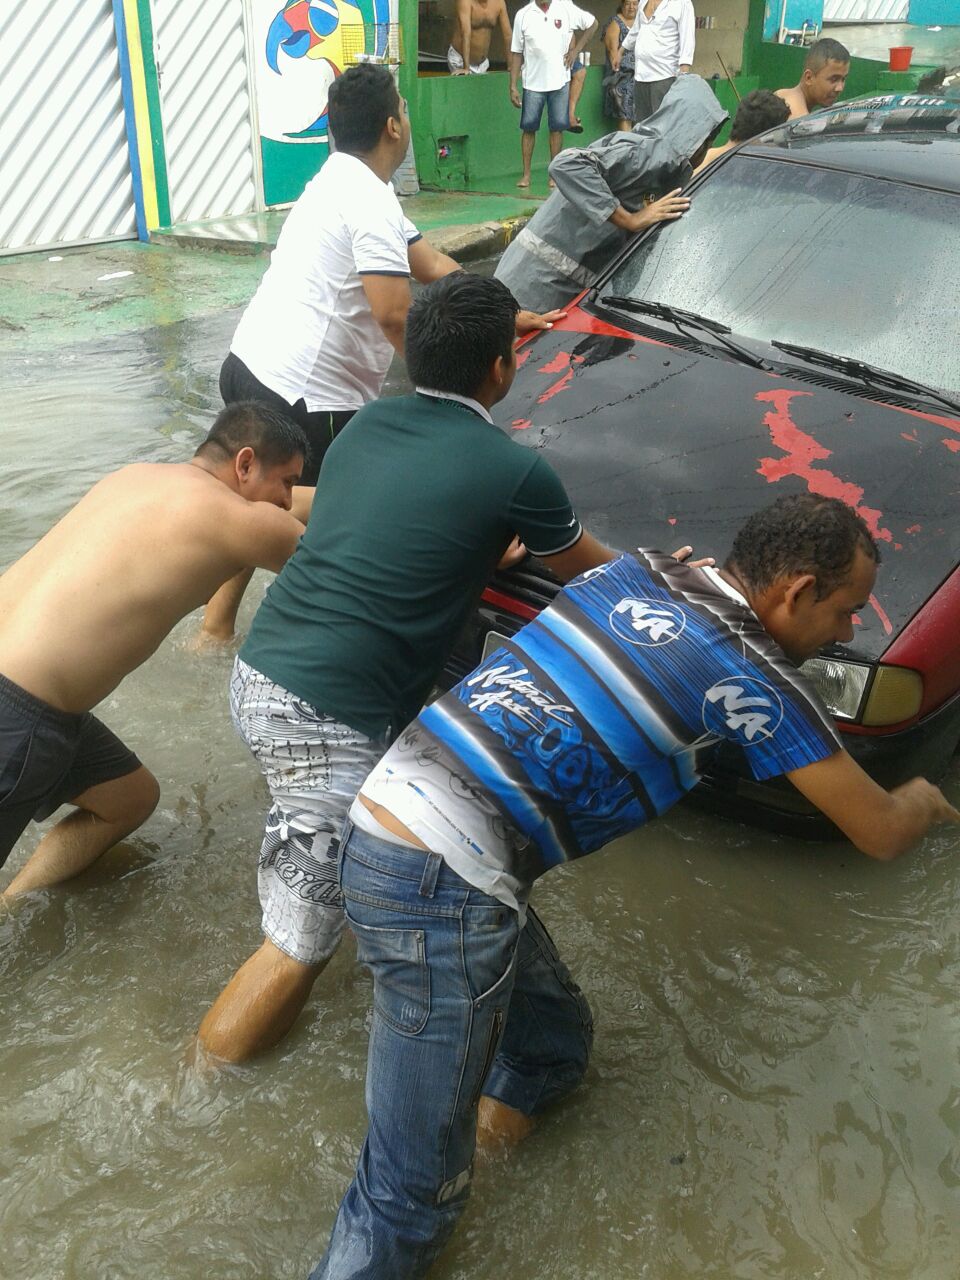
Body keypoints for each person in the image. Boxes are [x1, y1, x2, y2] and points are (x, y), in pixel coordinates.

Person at [310, 494, 959, 1279]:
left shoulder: (644, 570)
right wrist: (924, 800)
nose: (850, 632)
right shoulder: (757, 679)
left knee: (552, 1048)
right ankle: (431, 1172)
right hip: (444, 885)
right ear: (794, 591)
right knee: (410, 1202)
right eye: (847, 610)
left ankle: (479, 1129)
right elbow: (880, 830)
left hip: (389, 819)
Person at [195, 273, 639, 1066]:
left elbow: (370, 528)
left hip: (265, 673)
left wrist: (471, 540)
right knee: (303, 935)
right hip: (326, 712)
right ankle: (199, 1093)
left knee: (321, 866)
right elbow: (593, 573)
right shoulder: (515, 470)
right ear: (503, 369)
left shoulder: (365, 427)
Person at [203, 63, 558, 645]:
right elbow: (394, 314)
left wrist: (500, 309)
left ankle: (215, 630)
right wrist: (444, 404)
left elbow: (428, 263)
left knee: (260, 500)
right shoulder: (367, 199)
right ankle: (313, 638)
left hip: (251, 365)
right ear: (393, 125)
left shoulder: (346, 181)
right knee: (334, 517)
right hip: (304, 395)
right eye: (406, 109)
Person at [0, 404, 310, 899]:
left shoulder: (137, 476)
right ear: (245, 464)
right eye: (286, 482)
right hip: (22, 717)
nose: (286, 499)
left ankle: (13, 904)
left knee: (129, 797)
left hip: (32, 694)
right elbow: (344, 565)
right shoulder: (239, 519)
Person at [496, 73, 726, 312]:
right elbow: (566, 164)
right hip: (533, 282)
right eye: (707, 140)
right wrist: (630, 220)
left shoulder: (668, 170)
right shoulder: (648, 153)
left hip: (563, 289)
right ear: (692, 132)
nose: (706, 149)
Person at [510, 0, 598, 189]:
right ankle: (526, 175)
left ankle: (553, 174)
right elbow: (516, 52)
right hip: (532, 83)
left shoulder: (565, 7)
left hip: (559, 81)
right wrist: (513, 85)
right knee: (528, 128)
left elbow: (593, 24)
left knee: (557, 129)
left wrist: (576, 51)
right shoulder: (523, 14)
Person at [615, 0, 695, 123]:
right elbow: (636, 30)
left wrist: (683, 75)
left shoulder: (682, 3)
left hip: (665, 76)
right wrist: (620, 51)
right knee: (643, 127)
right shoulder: (643, 2)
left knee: (663, 126)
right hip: (641, 76)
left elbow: (687, 39)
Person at [694, 88, 791, 172]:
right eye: (779, 137)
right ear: (765, 136)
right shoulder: (738, 171)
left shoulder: (704, 161)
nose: (778, 147)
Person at [774, 37, 850, 119]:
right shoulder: (799, 121)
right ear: (809, 78)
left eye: (843, 79)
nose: (840, 88)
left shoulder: (781, 94)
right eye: (834, 79)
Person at [602, 0, 639, 130]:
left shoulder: (641, 23)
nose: (631, 7)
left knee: (640, 116)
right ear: (622, 5)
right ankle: (626, 148)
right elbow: (613, 54)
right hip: (622, 77)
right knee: (625, 115)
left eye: (635, 3)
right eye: (628, 3)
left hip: (640, 76)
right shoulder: (615, 23)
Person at [448, 0, 511, 74]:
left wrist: (511, 65)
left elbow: (508, 36)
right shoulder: (465, 2)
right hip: (460, 60)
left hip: (482, 64)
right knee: (466, 84)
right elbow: (465, 33)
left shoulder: (499, 2)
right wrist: (466, 68)